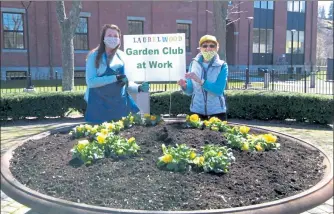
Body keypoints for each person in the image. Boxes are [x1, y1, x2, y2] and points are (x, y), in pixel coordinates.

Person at [84, 24, 149, 124]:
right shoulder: (94, 56)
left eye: (115, 36)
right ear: (103, 38)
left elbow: (126, 81)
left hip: (120, 106)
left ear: (119, 39)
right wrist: (115, 78)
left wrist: (138, 88)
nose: (112, 38)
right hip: (99, 105)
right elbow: (91, 82)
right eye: (109, 35)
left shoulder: (122, 56)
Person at [177, 35, 228, 121]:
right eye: (204, 46)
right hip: (196, 111)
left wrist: (201, 81)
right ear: (200, 48)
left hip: (217, 112)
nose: (208, 48)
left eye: (212, 46)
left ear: (217, 48)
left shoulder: (222, 66)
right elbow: (190, 91)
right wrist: (184, 86)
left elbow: (218, 90)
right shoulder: (193, 64)